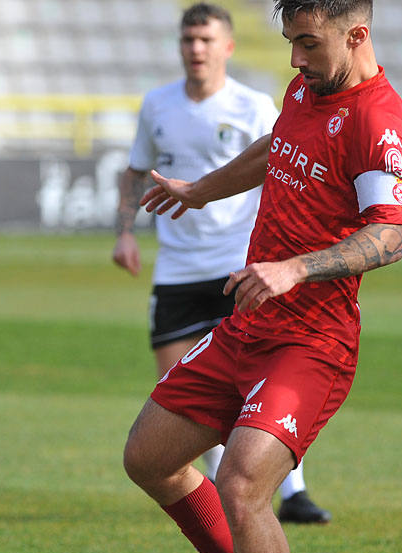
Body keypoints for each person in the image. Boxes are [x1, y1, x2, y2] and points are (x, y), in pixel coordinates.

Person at [124, 0, 402, 553]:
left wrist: (298, 268)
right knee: (148, 457)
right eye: (289, 43)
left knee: (246, 480)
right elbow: (274, 146)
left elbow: (390, 237)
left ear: (357, 35)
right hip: (247, 328)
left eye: (306, 45)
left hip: (313, 341)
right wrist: (199, 188)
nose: (293, 60)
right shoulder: (306, 88)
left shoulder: (377, 117)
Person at [112, 3, 331, 525]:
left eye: (206, 40)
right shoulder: (158, 105)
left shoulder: (254, 105)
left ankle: (294, 491)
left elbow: (285, 165)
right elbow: (134, 171)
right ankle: (212, 494)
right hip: (177, 270)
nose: (196, 49)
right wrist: (124, 231)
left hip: (240, 264)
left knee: (261, 383)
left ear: (227, 47)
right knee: (179, 391)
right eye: (189, 40)